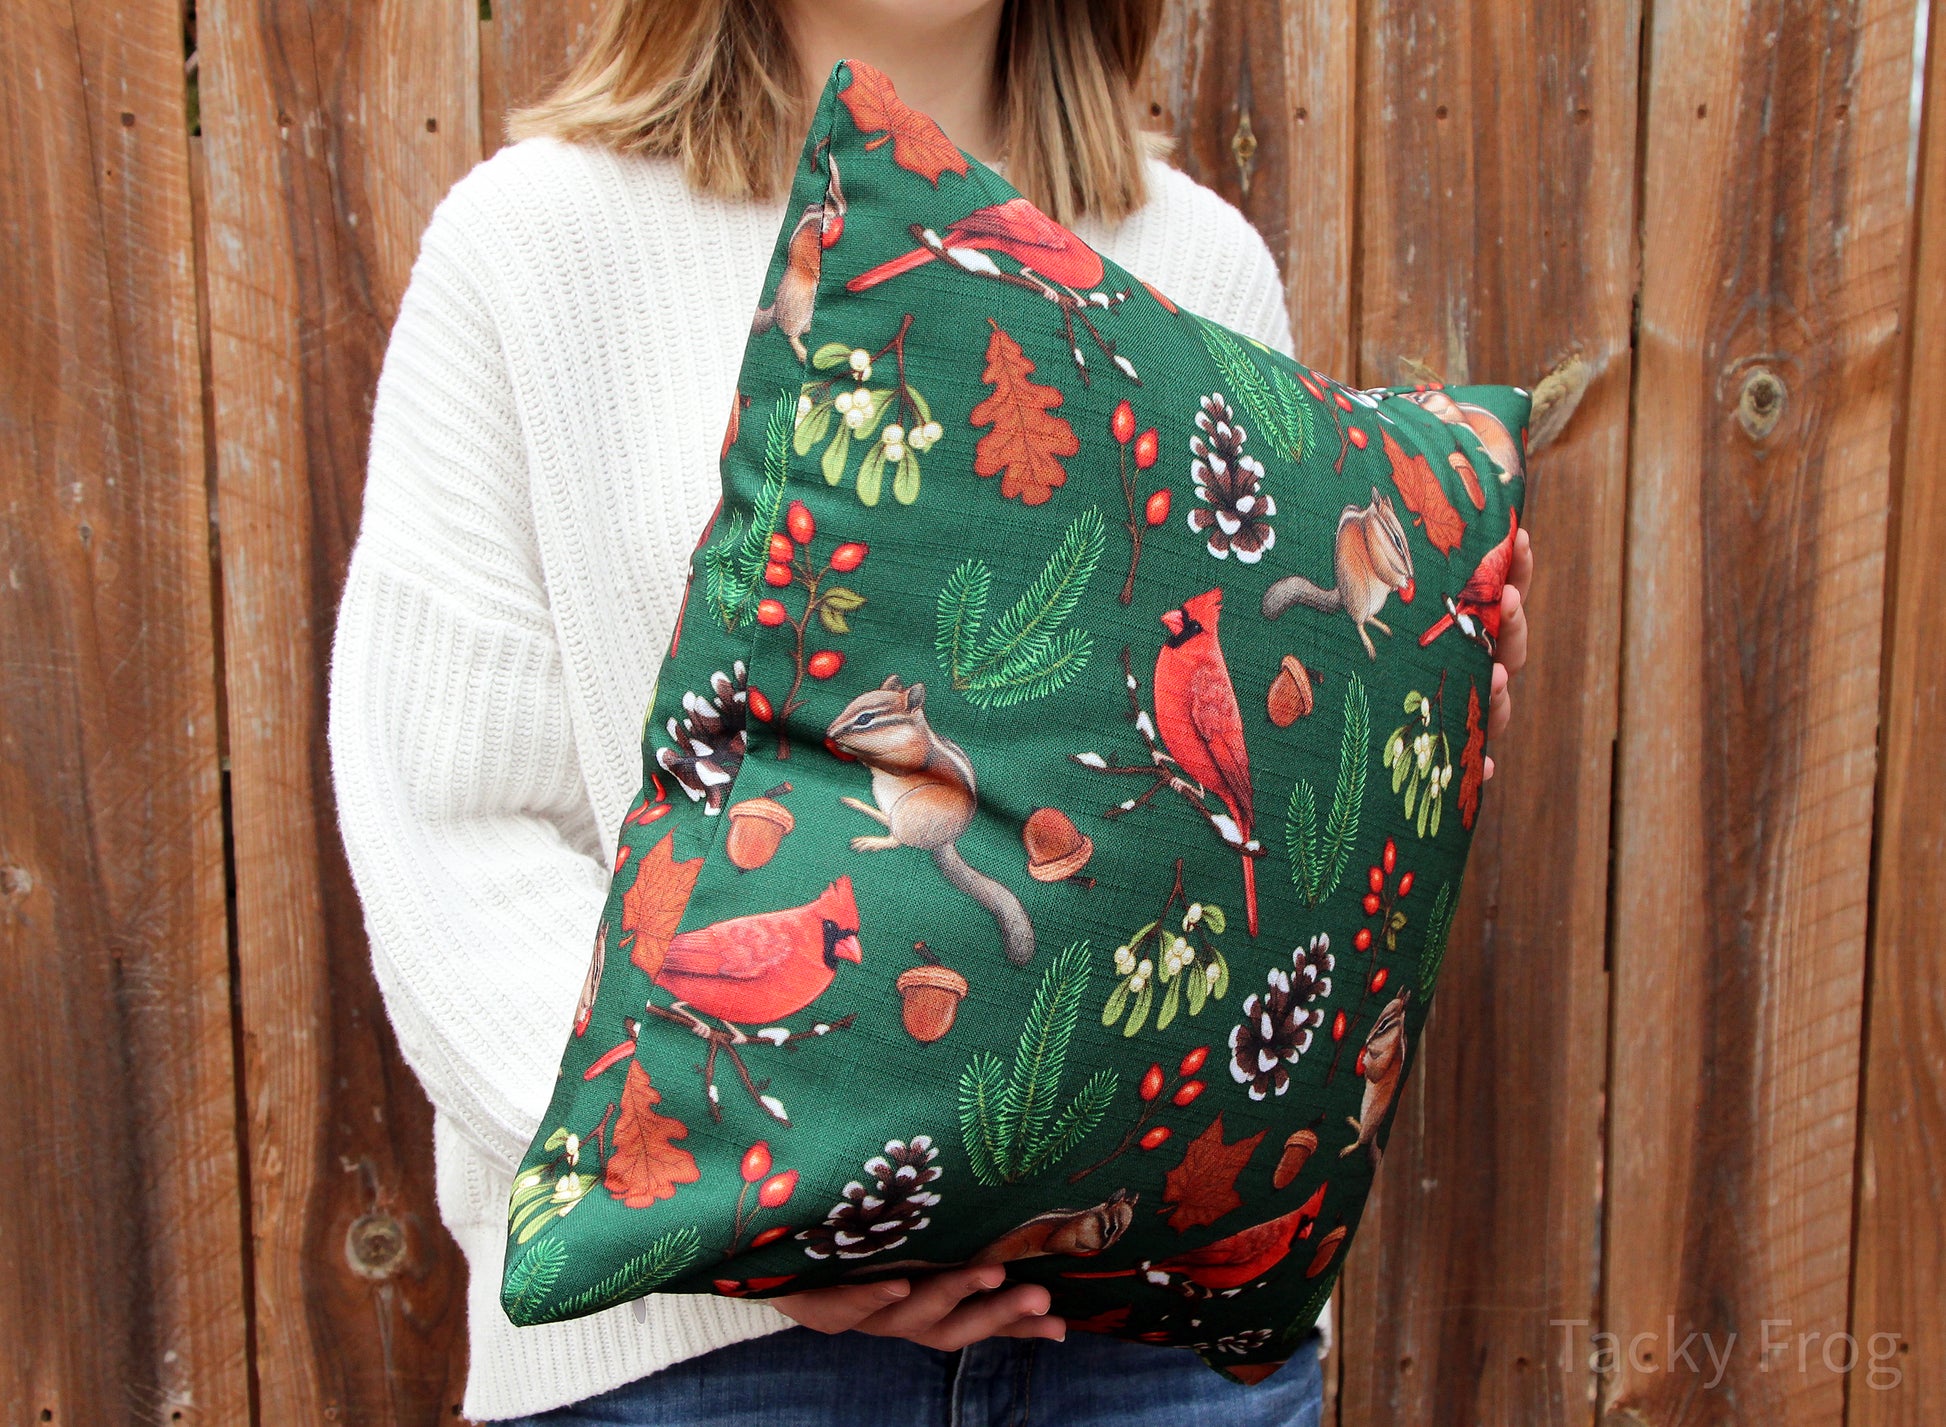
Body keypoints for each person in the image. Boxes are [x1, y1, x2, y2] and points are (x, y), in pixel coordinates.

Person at [328, 1, 1535, 1423]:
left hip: (1151, 1371)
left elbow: (1223, 851)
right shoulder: (535, 243)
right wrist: (731, 1207)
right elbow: (450, 817)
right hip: (695, 1361)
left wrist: (1395, 713)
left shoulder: (1199, 259)